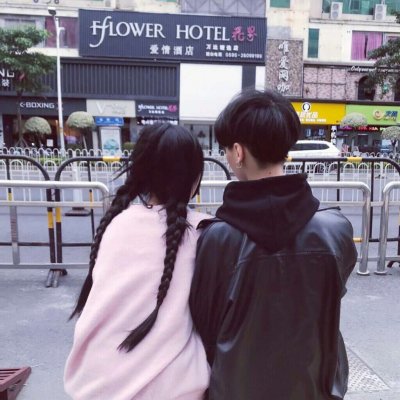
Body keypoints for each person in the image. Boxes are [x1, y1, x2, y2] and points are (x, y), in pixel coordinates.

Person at [189, 89, 358, 400]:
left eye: (226, 149)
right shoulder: (336, 230)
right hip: (315, 389)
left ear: (238, 152)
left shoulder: (217, 238)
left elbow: (205, 326)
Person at [64, 123, 210, 399]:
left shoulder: (113, 224)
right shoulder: (205, 231)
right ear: (195, 177)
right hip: (175, 388)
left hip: (93, 384)